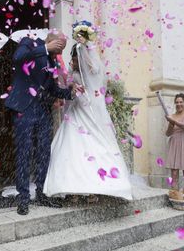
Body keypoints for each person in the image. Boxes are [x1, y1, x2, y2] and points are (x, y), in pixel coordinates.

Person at [44, 24, 132, 201]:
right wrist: (71, 85)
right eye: (74, 59)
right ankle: (74, 189)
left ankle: (92, 188)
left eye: (75, 59)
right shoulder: (73, 73)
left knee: (88, 146)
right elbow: (67, 86)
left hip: (88, 110)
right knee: (73, 146)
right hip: (77, 109)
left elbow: (94, 72)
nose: (73, 62)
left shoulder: (92, 70)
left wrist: (85, 45)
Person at [5, 30, 84, 215]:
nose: (60, 53)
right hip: (24, 108)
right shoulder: (29, 44)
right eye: (59, 47)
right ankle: (23, 198)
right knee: (24, 153)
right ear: (51, 40)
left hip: (42, 110)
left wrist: (70, 91)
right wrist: (44, 48)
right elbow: (17, 58)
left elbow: (52, 89)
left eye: (62, 49)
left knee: (44, 153)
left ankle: (41, 193)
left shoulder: (52, 60)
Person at [164, 93, 184, 194]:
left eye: (181, 102)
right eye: (177, 102)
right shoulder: (172, 116)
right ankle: (175, 196)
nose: (179, 104)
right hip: (174, 143)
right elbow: (168, 133)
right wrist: (171, 123)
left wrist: (172, 120)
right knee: (174, 173)